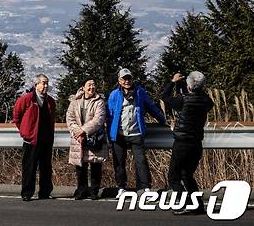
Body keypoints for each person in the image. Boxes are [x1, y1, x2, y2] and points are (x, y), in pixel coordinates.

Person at [107, 68, 166, 197]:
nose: (126, 81)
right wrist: (109, 134)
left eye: (128, 78)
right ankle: (121, 187)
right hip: (119, 134)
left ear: (132, 79)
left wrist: (162, 119)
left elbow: (151, 107)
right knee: (119, 162)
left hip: (136, 133)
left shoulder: (140, 92)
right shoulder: (114, 95)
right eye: (124, 79)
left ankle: (145, 187)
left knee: (141, 161)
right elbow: (109, 115)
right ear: (119, 80)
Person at [162, 71, 214, 215]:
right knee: (187, 175)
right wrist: (192, 89)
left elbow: (165, 97)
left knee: (173, 176)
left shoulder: (182, 100)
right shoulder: (206, 101)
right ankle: (197, 206)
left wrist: (173, 81)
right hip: (196, 143)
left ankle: (186, 203)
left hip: (182, 143)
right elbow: (202, 98)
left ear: (189, 85)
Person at [13, 74, 56, 201]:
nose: (45, 86)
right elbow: (17, 116)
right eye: (43, 83)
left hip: (46, 139)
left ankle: (45, 192)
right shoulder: (27, 99)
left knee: (46, 167)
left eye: (47, 83)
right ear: (36, 85)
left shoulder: (50, 101)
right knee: (29, 167)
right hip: (31, 139)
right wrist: (25, 131)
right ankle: (27, 193)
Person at [66, 79, 108, 200]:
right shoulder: (75, 101)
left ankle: (94, 190)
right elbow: (70, 118)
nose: (92, 87)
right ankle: (82, 190)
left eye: (94, 84)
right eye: (89, 85)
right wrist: (77, 132)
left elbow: (99, 119)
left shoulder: (99, 101)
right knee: (80, 166)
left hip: (94, 137)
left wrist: (83, 131)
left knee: (95, 164)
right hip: (78, 139)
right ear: (83, 88)